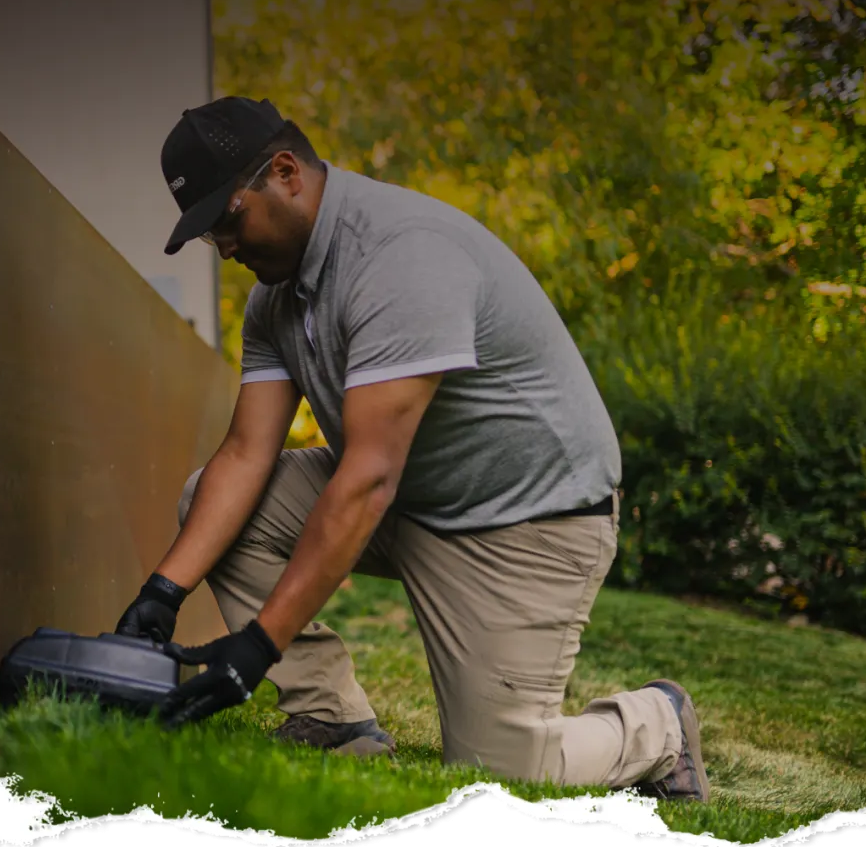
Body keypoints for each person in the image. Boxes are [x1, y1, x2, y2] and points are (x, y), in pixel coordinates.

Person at [112, 95, 709, 801]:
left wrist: (258, 644)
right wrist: (160, 594)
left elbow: (366, 478)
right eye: (212, 234)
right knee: (210, 505)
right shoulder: (276, 300)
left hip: (525, 520)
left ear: (285, 173)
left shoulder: (400, 257)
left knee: (504, 771)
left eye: (230, 218)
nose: (228, 246)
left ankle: (660, 723)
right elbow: (246, 455)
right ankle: (332, 719)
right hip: (416, 494)